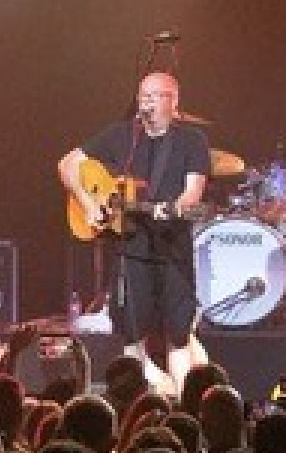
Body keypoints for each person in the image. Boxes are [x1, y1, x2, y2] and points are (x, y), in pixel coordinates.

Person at [58, 72, 212, 395]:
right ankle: (136, 405)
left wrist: (174, 207)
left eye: (155, 96)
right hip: (130, 249)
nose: (147, 103)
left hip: (172, 251)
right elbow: (67, 164)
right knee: (131, 334)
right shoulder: (122, 135)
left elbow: (192, 193)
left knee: (178, 336)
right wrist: (88, 203)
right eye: (143, 96)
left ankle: (183, 405)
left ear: (174, 102)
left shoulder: (191, 140)